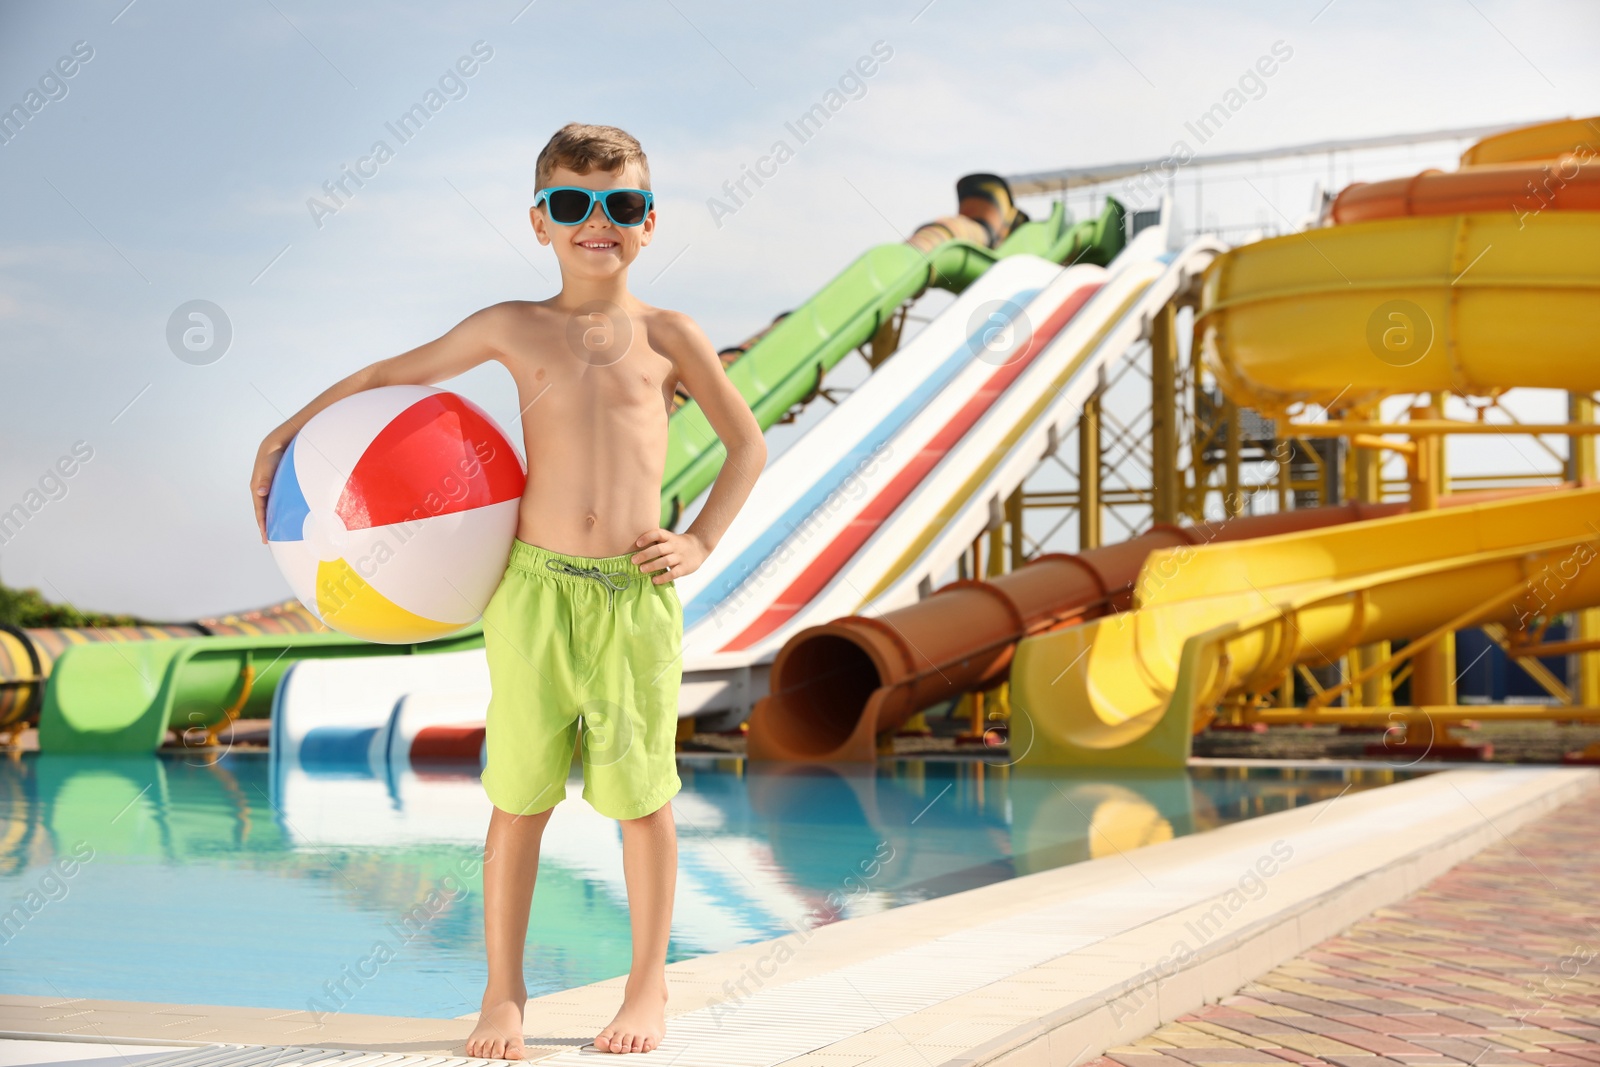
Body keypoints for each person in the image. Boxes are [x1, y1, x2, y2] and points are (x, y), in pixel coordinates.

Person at [250, 122, 767, 1057]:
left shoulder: (670, 335)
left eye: (621, 205)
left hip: (630, 597)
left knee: (643, 798)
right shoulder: (511, 326)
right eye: (572, 203)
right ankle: (504, 995)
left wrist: (699, 539)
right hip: (532, 592)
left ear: (650, 222)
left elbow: (748, 444)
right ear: (540, 219)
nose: (596, 222)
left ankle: (647, 988)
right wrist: (285, 432)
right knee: (519, 798)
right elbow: (387, 376)